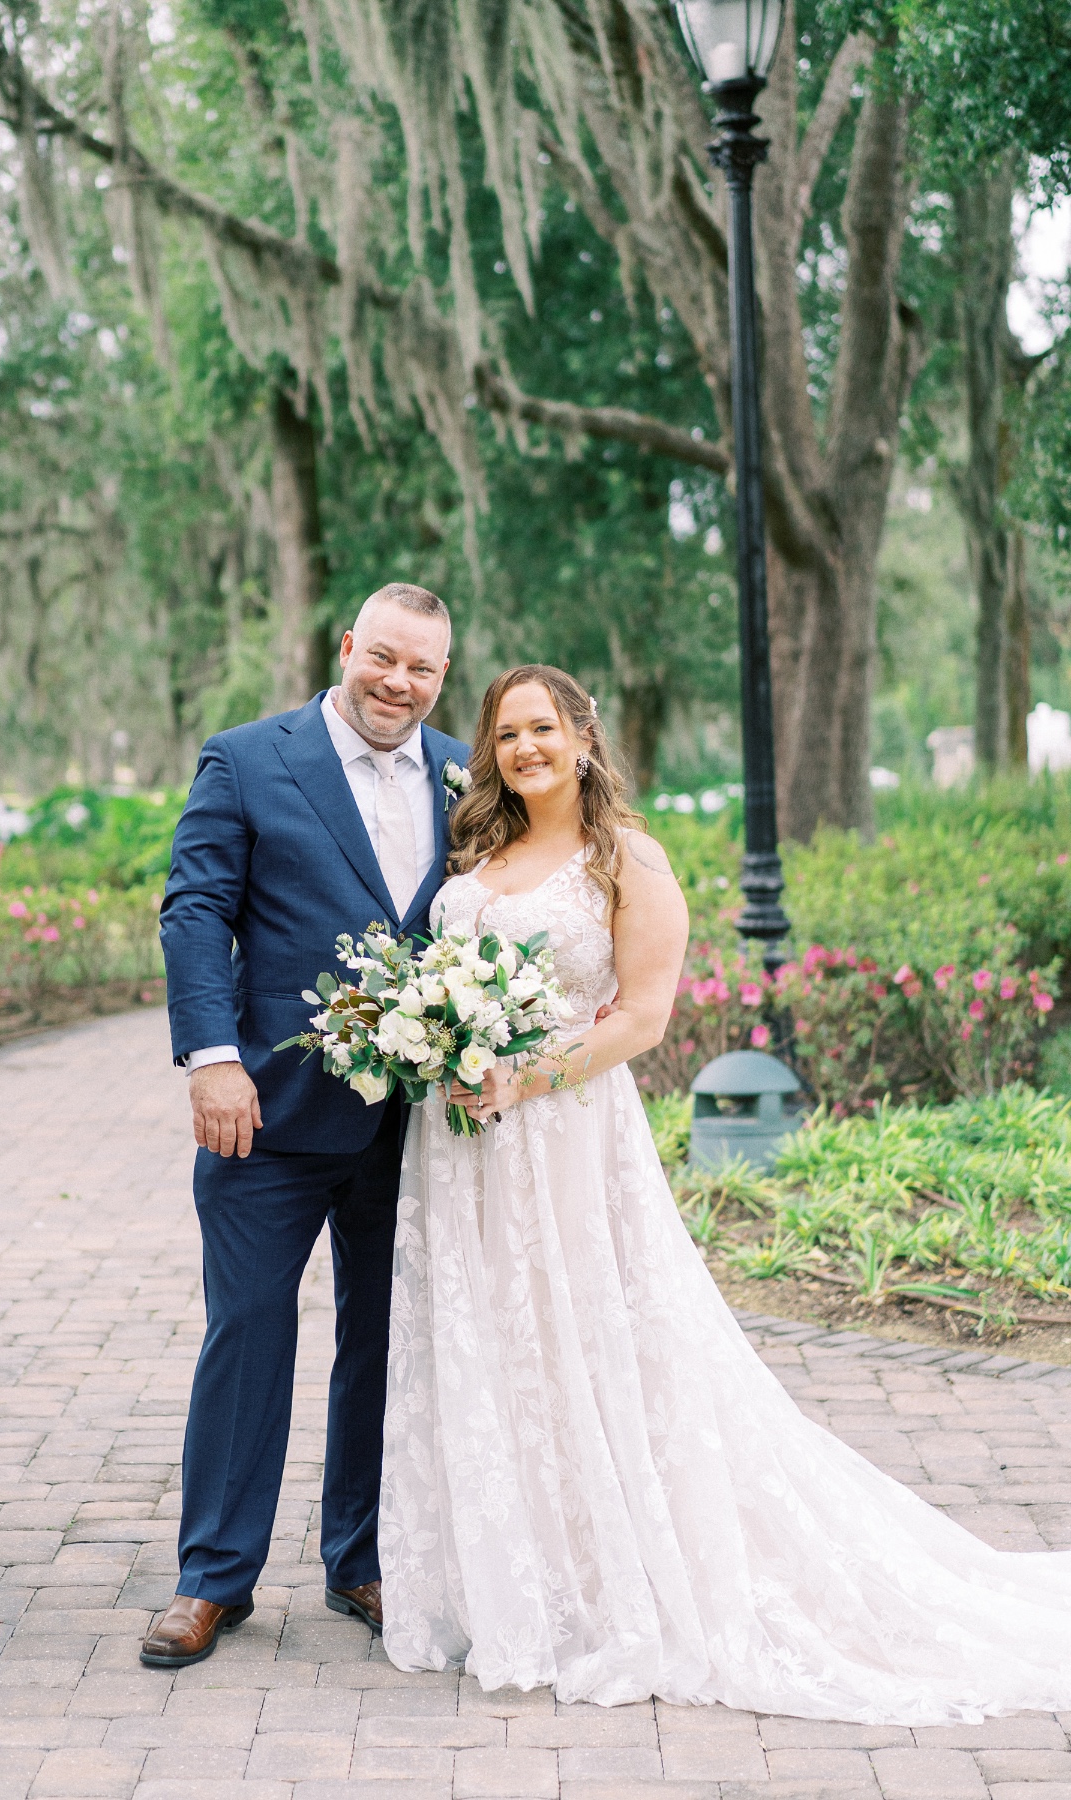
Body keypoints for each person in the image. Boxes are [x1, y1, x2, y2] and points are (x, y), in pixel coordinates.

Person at [379, 662, 1071, 1721]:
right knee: (504, 1348)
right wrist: (447, 1051)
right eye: (506, 734)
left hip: (566, 1136)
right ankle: (529, 1582)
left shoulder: (628, 860)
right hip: (470, 1149)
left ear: (583, 736)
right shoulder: (475, 856)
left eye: (542, 729)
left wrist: (521, 1075)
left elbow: (643, 1018)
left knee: (590, 1341)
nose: (524, 749)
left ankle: (622, 1578)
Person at [142, 583, 468, 1668]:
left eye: (422, 669)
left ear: (441, 676)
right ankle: (213, 1580)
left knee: (385, 1345)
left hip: (412, 1126)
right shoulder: (247, 757)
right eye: (384, 658)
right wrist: (212, 1059)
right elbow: (195, 910)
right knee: (249, 1335)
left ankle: (363, 1561)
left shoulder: (467, 773)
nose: (399, 684)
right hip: (264, 1117)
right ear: (348, 647)